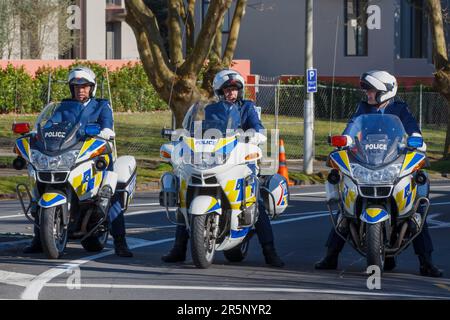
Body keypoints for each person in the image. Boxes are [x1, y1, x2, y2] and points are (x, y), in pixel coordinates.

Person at [314, 70, 443, 277]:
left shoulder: (400, 109)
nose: (368, 93)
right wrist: (345, 139)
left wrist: (417, 140)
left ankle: (426, 262)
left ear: (386, 91)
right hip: (366, 163)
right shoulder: (362, 108)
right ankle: (331, 256)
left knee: (415, 210)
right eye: (367, 89)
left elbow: (412, 129)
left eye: (372, 90)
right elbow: (351, 129)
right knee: (347, 210)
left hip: (393, 163)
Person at [161, 69, 284, 267]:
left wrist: (255, 134)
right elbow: (197, 130)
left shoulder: (247, 108)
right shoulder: (211, 109)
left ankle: (270, 252)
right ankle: (178, 248)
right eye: (227, 89)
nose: (231, 93)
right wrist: (184, 136)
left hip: (241, 159)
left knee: (256, 202)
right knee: (185, 197)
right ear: (219, 91)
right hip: (214, 158)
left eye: (235, 89)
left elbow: (257, 127)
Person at [23, 66, 133, 258]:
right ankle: (39, 238)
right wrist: (37, 134)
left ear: (92, 88)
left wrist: (105, 131)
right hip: (69, 154)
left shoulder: (101, 105)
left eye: (84, 86)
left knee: (109, 193)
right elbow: (50, 124)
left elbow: (107, 125)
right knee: (41, 189)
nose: (80, 90)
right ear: (71, 88)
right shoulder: (64, 107)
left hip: (97, 156)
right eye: (76, 86)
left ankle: (120, 241)